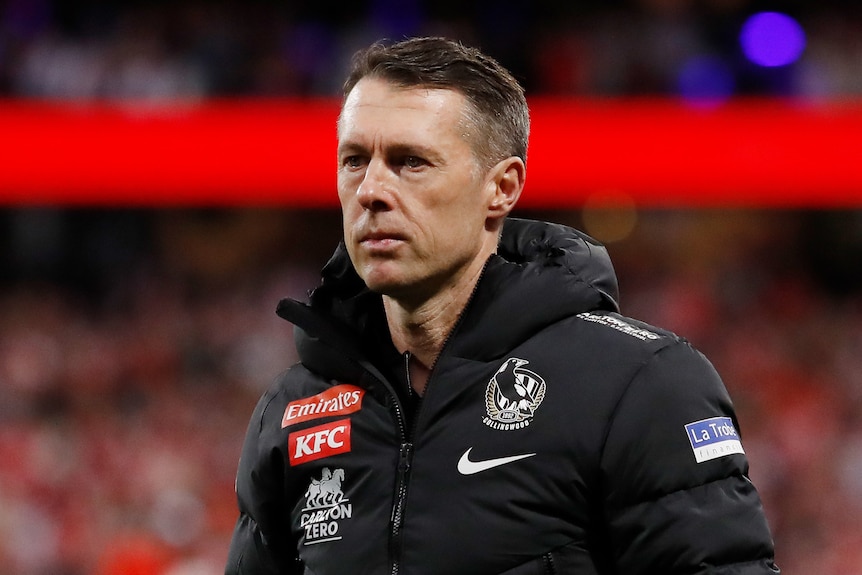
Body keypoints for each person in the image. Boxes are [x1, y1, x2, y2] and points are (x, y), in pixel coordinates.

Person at [225, 36, 780, 575]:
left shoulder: (638, 384)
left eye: (410, 161)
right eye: (354, 160)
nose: (371, 188)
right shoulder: (294, 407)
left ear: (502, 188)